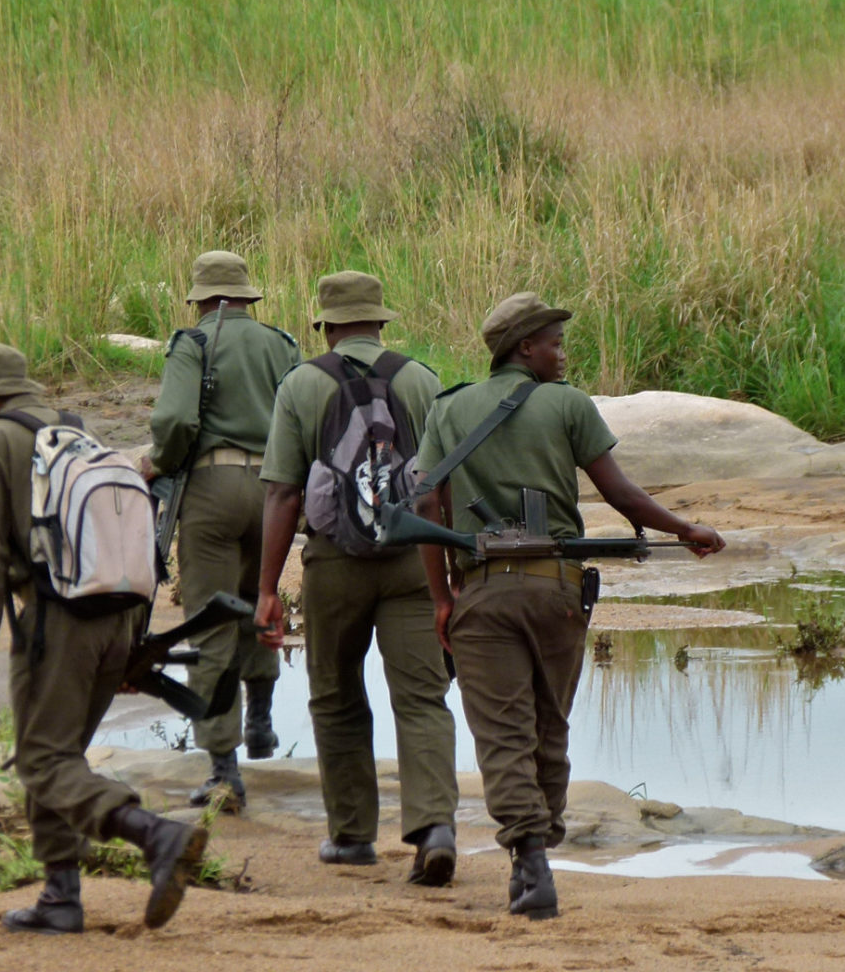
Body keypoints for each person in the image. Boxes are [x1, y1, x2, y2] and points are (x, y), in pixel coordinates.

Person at [412, 293, 725, 920]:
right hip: (557, 591)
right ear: (525, 347)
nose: (563, 352)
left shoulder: (449, 409)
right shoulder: (568, 405)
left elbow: (427, 509)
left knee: (502, 734)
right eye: (555, 341)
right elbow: (624, 496)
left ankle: (529, 859)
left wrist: (443, 599)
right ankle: (539, 839)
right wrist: (684, 529)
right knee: (549, 727)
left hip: (480, 592)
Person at [0, 343, 208, 934]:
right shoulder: (73, 430)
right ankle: (60, 896)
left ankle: (156, 835)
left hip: (57, 620)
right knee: (58, 754)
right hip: (116, 614)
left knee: (42, 759)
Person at [255, 270, 459, 886]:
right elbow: (442, 484)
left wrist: (268, 590)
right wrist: (450, 574)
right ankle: (434, 828)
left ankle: (351, 837)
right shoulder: (423, 380)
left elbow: (283, 493)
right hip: (412, 558)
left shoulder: (301, 384)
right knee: (422, 696)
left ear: (324, 324)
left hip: (334, 562)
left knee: (336, 694)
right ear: (381, 319)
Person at [144, 250, 301, 809]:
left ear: (202, 298)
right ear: (246, 297)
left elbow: (175, 420)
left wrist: (159, 460)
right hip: (276, 492)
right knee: (259, 600)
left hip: (210, 491)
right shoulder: (282, 344)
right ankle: (260, 723)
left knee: (211, 622)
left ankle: (222, 767)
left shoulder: (194, 343)